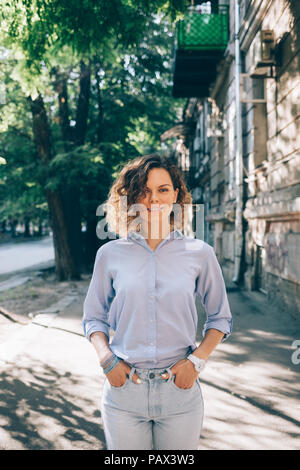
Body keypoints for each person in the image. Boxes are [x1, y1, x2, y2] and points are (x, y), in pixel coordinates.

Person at [82, 154, 232, 450]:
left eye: (163, 189)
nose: (153, 200)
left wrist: (196, 362)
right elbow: (93, 318)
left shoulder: (200, 253)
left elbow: (220, 319)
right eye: (143, 191)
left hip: (179, 390)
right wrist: (106, 359)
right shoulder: (110, 254)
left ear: (176, 194)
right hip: (123, 391)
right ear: (131, 196)